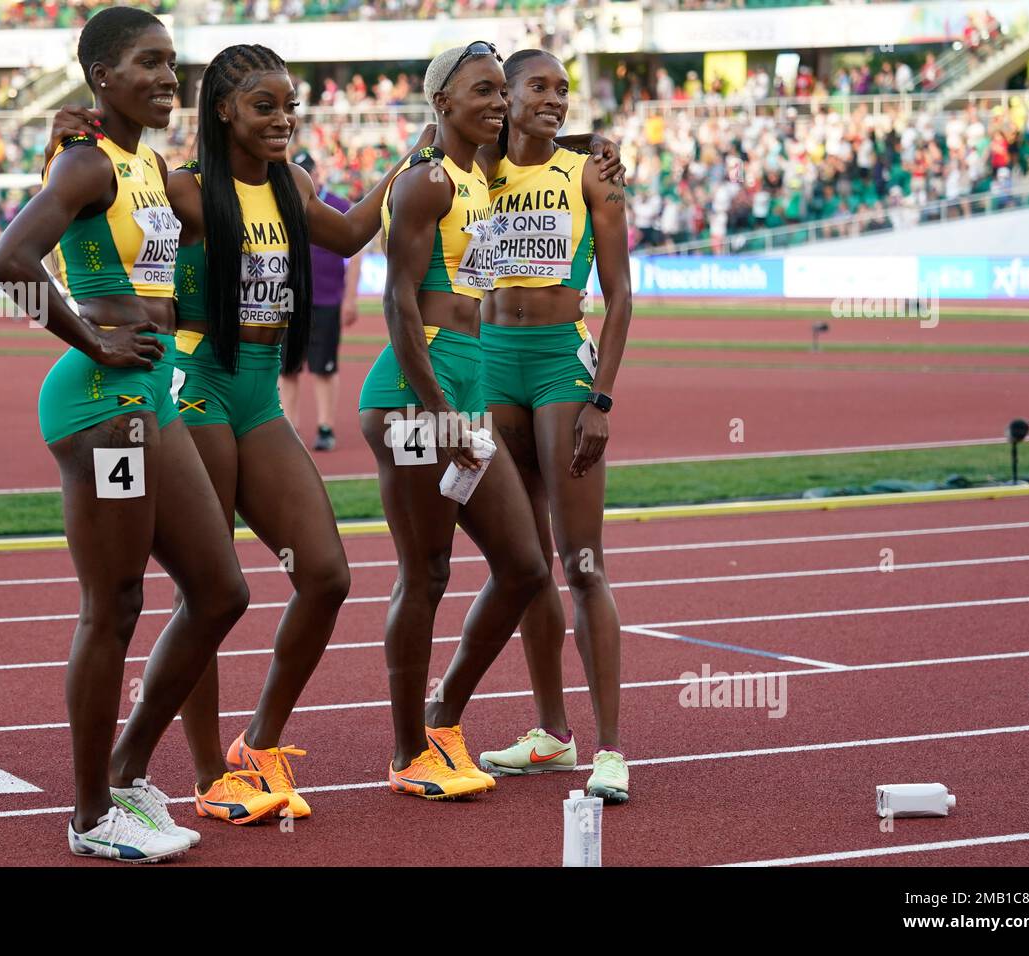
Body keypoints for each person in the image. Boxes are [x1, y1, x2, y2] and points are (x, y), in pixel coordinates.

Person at [44, 44, 434, 820]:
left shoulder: (292, 184)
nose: (284, 118)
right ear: (222, 109)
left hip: (261, 397)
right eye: (265, 106)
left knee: (325, 574)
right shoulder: (180, 189)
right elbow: (82, 215)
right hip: (197, 387)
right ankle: (202, 774)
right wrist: (64, 141)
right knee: (210, 587)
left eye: (291, 105)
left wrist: (419, 151)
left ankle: (256, 744)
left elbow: (355, 232)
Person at [0, 6, 252, 862]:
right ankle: (91, 813)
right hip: (104, 402)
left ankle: (130, 770)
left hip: (149, 397)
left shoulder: (145, 162)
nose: (169, 76)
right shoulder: (89, 163)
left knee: (221, 592)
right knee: (116, 608)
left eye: (173, 62)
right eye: (149, 62)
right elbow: (8, 263)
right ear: (104, 77)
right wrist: (93, 338)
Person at [358, 42, 623, 801]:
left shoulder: (543, 168)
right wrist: (439, 414)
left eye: (559, 88)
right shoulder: (451, 173)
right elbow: (384, 278)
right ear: (460, 99)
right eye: (516, 88)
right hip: (445, 385)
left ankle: (472, 724)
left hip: (510, 378)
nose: (529, 101)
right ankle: (431, 741)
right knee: (437, 571)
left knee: (551, 562)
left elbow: (544, 147)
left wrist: (591, 144)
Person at [473, 48, 633, 801]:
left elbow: (622, 294)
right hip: (488, 361)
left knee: (583, 560)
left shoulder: (591, 174)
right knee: (528, 561)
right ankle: (551, 733)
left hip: (558, 366)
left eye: (564, 89)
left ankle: (610, 749)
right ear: (502, 96)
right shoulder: (474, 171)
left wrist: (601, 400)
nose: (556, 98)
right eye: (539, 86)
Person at [277, 149, 363, 452]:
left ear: (315, 173)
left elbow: (355, 253)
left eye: (308, 172)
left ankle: (325, 426)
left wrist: (350, 298)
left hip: (326, 298)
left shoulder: (338, 205)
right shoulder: (281, 202)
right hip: (288, 299)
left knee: (324, 368)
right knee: (286, 367)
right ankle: (289, 426)